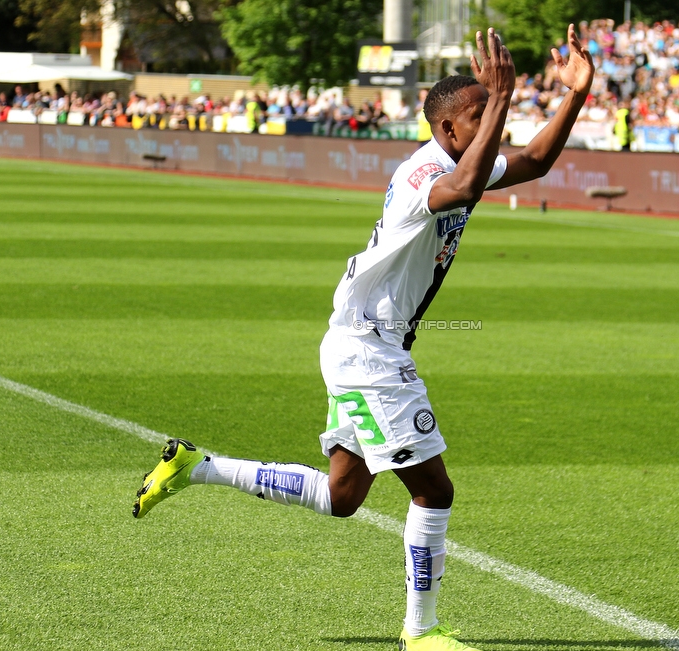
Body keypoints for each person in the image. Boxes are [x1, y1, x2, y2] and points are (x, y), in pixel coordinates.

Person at [133, 25, 595, 651]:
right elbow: (461, 188)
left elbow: (535, 161)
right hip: (369, 352)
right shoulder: (425, 173)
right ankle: (420, 633)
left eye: (491, 111)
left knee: (342, 494)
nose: (490, 122)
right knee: (435, 491)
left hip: (364, 345)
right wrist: (505, 99)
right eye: (478, 114)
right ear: (446, 130)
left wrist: (574, 95)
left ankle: (197, 466)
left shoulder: (465, 160)